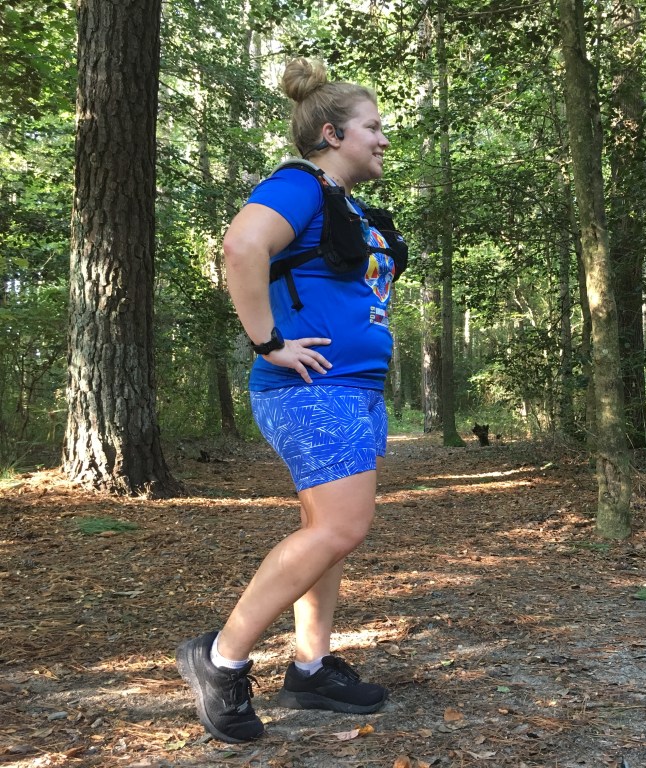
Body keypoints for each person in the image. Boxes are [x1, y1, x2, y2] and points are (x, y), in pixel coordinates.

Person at [175, 57, 402, 744]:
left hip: (353, 390)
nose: (383, 140)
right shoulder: (299, 185)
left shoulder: (343, 203)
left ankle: (309, 666)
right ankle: (220, 658)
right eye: (372, 128)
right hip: (312, 390)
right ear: (332, 134)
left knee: (324, 537)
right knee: (339, 529)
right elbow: (241, 246)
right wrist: (267, 340)